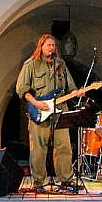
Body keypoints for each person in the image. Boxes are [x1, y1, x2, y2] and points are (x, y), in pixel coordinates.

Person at [16, 34, 84, 192]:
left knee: (64, 146)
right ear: (41, 47)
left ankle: (66, 180)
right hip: (40, 110)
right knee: (39, 148)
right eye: (49, 45)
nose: (52, 48)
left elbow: (70, 87)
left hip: (60, 112)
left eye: (54, 45)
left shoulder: (60, 65)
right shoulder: (31, 64)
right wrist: (36, 103)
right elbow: (22, 89)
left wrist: (77, 92)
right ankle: (38, 181)